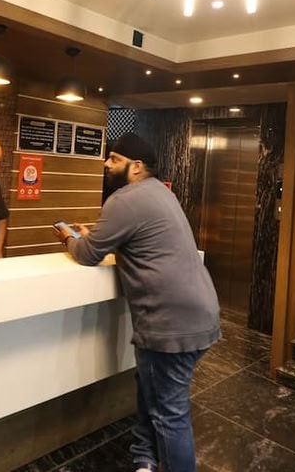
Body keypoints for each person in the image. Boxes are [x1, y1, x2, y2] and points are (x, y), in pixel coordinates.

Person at [53, 132, 220, 472]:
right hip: (199, 314)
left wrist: (69, 237)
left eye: (115, 159)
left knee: (170, 414)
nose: (106, 164)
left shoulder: (124, 199)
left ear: (137, 166)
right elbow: (138, 239)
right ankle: (145, 458)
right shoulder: (161, 192)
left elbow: (87, 255)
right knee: (150, 387)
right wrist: (96, 236)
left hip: (169, 324)